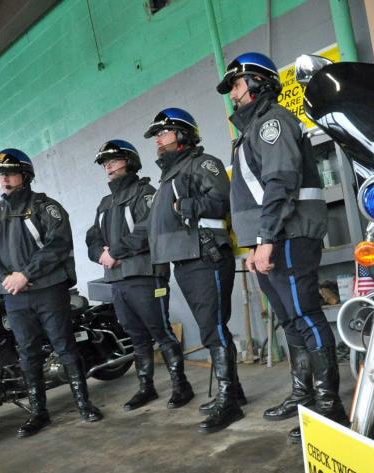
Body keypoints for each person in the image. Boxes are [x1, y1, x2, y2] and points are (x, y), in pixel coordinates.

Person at [217, 52, 348, 443]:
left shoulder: (271, 122)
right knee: (290, 322)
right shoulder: (250, 130)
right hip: (269, 239)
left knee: (306, 315)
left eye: (237, 85)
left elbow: (280, 183)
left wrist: (265, 240)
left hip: (286, 237)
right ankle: (303, 395)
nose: (233, 94)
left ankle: (329, 409)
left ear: (258, 83)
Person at [0, 148, 103, 436]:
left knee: (64, 345)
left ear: (25, 176)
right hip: (13, 295)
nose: (4, 180)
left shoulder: (45, 207)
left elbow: (57, 245)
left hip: (47, 289)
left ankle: (84, 404)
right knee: (27, 352)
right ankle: (38, 413)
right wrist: (6, 278)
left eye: (9, 174)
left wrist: (25, 274)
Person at [143, 108, 245, 433]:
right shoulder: (169, 175)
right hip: (185, 259)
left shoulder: (203, 163)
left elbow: (221, 199)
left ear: (182, 133)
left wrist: (188, 207)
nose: (158, 140)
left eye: (163, 132)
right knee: (210, 327)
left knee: (212, 328)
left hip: (206, 255)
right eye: (157, 135)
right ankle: (235, 393)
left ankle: (228, 402)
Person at [86, 140, 193, 411]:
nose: (108, 166)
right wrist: (100, 254)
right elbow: (93, 236)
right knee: (135, 335)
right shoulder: (105, 202)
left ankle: (181, 386)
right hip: (118, 279)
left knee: (161, 330)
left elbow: (147, 230)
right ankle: (147, 387)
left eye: (113, 160)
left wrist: (116, 252)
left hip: (146, 275)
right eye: (105, 163)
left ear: (129, 162)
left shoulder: (146, 193)